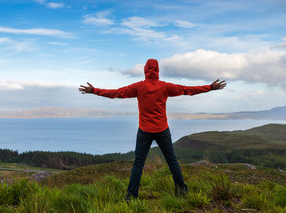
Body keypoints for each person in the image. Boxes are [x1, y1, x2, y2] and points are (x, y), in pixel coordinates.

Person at [79, 59, 226, 200]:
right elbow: (187, 90)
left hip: (144, 131)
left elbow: (116, 93)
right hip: (163, 130)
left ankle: (131, 196)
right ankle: (181, 191)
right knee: (172, 160)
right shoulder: (165, 86)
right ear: (158, 71)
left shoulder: (138, 87)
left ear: (145, 71)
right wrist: (210, 87)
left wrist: (95, 90)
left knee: (138, 163)